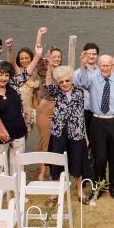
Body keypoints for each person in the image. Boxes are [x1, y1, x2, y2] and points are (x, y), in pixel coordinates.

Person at [74, 50, 114, 199]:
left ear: (112, 65)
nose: (105, 68)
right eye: (103, 65)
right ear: (99, 66)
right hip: (98, 121)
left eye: (108, 65)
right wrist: (82, 64)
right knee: (98, 157)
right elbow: (81, 82)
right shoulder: (92, 78)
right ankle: (99, 187)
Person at [41, 66, 89, 200]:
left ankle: (80, 191)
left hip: (76, 133)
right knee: (56, 163)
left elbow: (80, 114)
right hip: (59, 132)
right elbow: (48, 84)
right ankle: (55, 192)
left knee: (77, 161)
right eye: (61, 82)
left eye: (67, 80)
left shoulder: (79, 92)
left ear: (71, 79)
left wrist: (85, 135)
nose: (64, 84)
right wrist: (49, 67)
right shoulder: (56, 92)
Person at [0, 62, 29, 175]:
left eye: (6, 75)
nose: (4, 78)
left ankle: (16, 190)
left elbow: (27, 73)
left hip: (18, 134)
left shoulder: (12, 87)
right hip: (0, 136)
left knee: (16, 166)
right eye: (1, 75)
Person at [36, 46, 63, 180]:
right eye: (54, 56)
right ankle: (42, 172)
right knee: (45, 141)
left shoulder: (62, 72)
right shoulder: (43, 69)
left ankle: (56, 169)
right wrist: (40, 37)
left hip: (59, 109)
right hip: (46, 107)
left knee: (58, 140)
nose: (57, 59)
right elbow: (37, 56)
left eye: (59, 57)